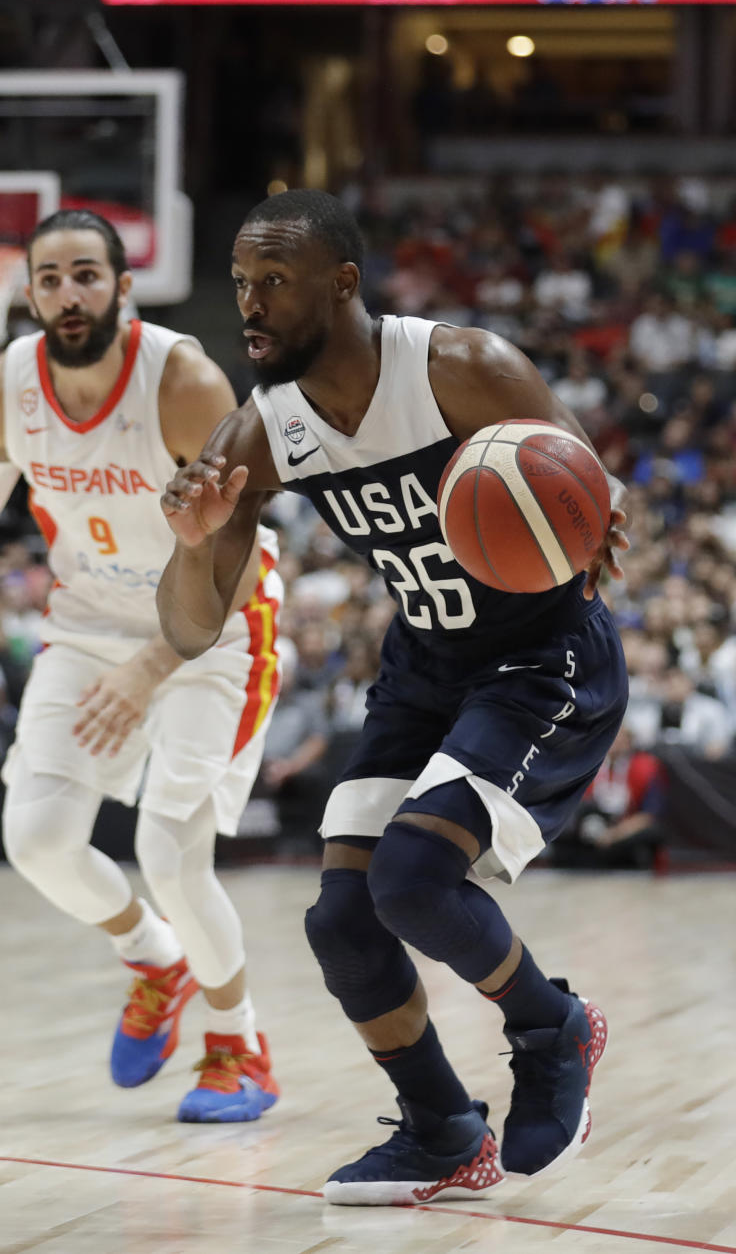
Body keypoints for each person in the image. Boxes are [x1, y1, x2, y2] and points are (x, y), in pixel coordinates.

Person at [157, 190, 629, 1204]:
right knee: (343, 919)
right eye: (240, 282)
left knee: (413, 878)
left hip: (542, 655)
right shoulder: (264, 428)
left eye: (273, 282)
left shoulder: (460, 367)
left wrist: (596, 517)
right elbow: (193, 625)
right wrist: (196, 545)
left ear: (343, 283)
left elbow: (582, 488)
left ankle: (551, 1027)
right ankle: (443, 1130)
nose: (250, 303)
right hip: (426, 664)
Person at [0, 209, 282, 1123]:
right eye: (51, 278)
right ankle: (154, 959)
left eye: (87, 276)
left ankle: (239, 1045)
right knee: (37, 839)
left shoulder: (181, 380)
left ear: (123, 288)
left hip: (214, 632)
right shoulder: (0, 390)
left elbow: (241, 555)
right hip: (90, 622)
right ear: (27, 294)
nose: (69, 294)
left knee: (170, 853)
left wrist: (150, 669)